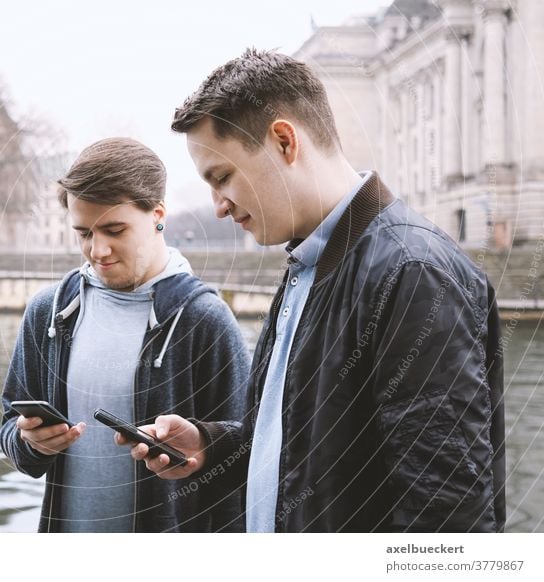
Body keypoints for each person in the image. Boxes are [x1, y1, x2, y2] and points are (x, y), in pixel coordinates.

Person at [120, 49, 505, 533]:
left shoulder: (414, 272)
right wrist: (212, 445)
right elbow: (311, 450)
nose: (218, 206)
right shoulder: (309, 262)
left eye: (222, 178)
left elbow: (446, 514)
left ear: (284, 141)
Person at [0, 137, 250, 532]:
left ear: (158, 215)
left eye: (114, 230)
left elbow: (251, 453)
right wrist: (30, 443)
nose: (97, 250)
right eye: (84, 233)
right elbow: (10, 434)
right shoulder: (47, 312)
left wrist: (202, 446)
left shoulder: (205, 319)